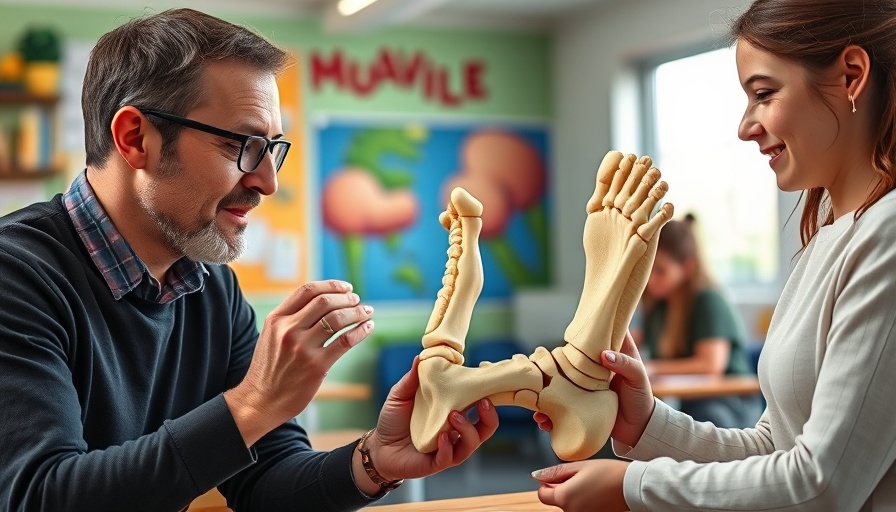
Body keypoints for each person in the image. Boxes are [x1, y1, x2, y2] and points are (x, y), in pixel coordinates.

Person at [0, 9, 497, 511]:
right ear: (136, 139)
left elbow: (267, 483)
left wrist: (373, 460)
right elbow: (39, 495)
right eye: (241, 144)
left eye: (272, 149)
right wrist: (254, 402)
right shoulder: (15, 275)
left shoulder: (211, 287)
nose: (268, 182)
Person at [531, 0, 896, 510]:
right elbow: (774, 448)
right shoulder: (827, 241)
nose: (747, 126)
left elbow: (823, 485)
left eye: (764, 95)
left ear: (852, 76)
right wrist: (647, 421)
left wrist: (630, 489)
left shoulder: (888, 235)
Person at [637, 215, 760, 428]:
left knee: (699, 425)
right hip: (694, 406)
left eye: (661, 270)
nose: (650, 280)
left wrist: (651, 368)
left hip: (731, 405)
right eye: (647, 270)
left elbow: (710, 365)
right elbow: (634, 342)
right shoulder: (657, 309)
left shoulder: (708, 301)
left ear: (687, 267)